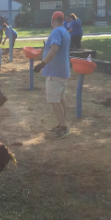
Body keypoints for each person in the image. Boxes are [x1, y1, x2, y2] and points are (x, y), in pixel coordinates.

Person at [32, 11, 71, 139]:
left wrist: (42, 64)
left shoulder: (56, 32)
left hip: (55, 72)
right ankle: (61, 124)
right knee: (61, 100)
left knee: (54, 100)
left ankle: (63, 127)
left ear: (53, 20)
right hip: (63, 71)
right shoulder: (65, 31)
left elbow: (55, 48)